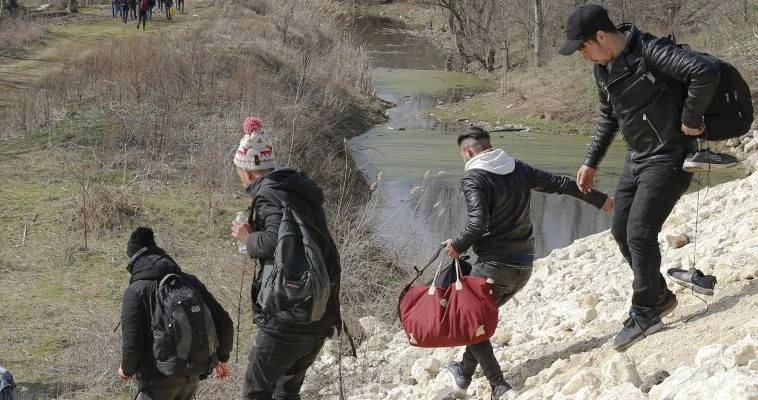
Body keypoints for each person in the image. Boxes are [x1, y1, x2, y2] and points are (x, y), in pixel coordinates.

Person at [557, 4, 724, 351]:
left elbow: (704, 71)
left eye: (584, 47)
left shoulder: (651, 51)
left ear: (601, 37)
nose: (584, 56)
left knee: (640, 232)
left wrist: (691, 120)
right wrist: (591, 161)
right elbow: (608, 116)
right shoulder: (604, 70)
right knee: (621, 229)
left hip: (671, 157)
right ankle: (659, 295)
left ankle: (645, 310)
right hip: (639, 158)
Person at [444, 126, 613, 399]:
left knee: (468, 321)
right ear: (489, 145)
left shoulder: (474, 177)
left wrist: (457, 244)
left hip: (494, 268)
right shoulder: (516, 168)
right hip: (524, 266)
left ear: (467, 151)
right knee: (476, 321)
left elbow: (478, 222)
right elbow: (559, 184)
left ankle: (499, 385)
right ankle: (463, 371)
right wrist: (600, 200)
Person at [230, 117, 342, 400]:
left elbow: (271, 243)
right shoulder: (298, 190)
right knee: (286, 391)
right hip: (320, 310)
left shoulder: (268, 195)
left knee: (256, 392)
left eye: (239, 170)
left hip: (287, 313)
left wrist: (247, 237)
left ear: (248, 170)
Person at [118, 227, 234, 399]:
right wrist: (222, 358)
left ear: (134, 260)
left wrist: (126, 370)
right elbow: (225, 323)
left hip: (155, 379)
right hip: (191, 374)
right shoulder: (189, 281)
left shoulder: (136, 291)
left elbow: (132, 345)